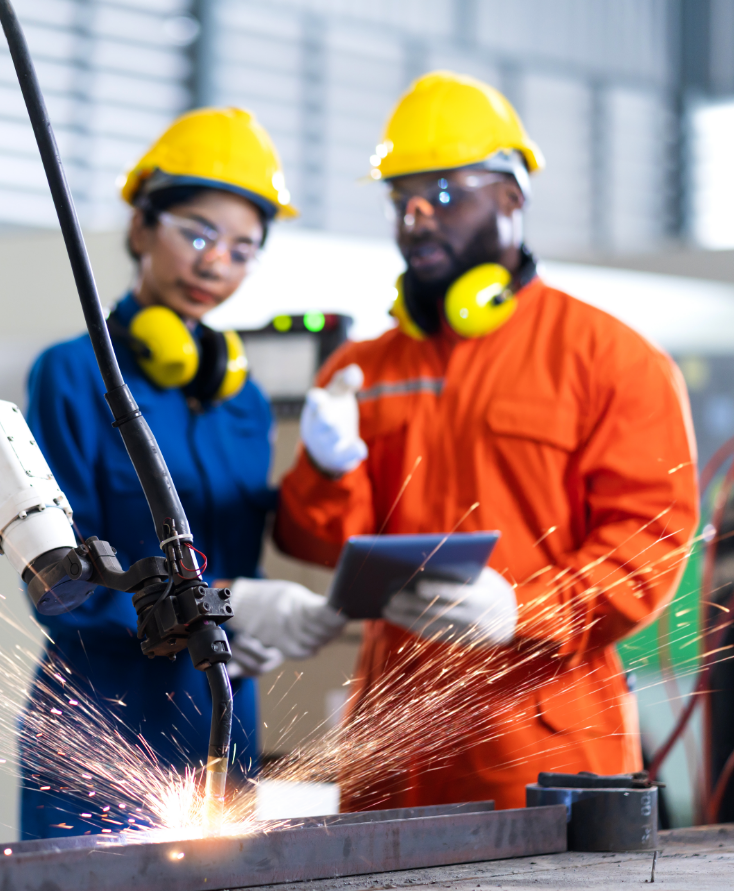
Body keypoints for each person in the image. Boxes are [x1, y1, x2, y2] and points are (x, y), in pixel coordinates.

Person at [260, 72, 699, 811]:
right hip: (391, 743)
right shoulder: (361, 369)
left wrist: (524, 610)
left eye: (443, 195)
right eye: (401, 200)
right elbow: (318, 542)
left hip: (540, 743)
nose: (416, 220)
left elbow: (648, 543)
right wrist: (328, 471)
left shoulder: (611, 358)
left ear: (512, 196)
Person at [22, 107, 311, 838]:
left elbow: (244, 561)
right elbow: (59, 579)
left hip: (218, 723)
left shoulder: (240, 400)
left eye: (244, 249)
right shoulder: (72, 376)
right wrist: (209, 609)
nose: (218, 264)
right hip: (100, 723)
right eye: (198, 233)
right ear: (141, 227)